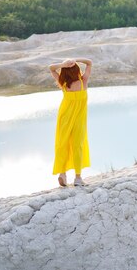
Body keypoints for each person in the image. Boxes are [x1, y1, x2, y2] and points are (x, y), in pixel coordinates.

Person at [48, 58, 92, 187]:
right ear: (77, 70)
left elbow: (51, 68)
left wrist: (63, 64)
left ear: (64, 71)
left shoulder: (64, 83)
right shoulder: (83, 81)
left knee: (63, 144)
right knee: (77, 145)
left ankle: (62, 173)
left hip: (64, 117)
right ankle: (78, 178)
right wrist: (76, 60)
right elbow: (89, 62)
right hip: (79, 119)